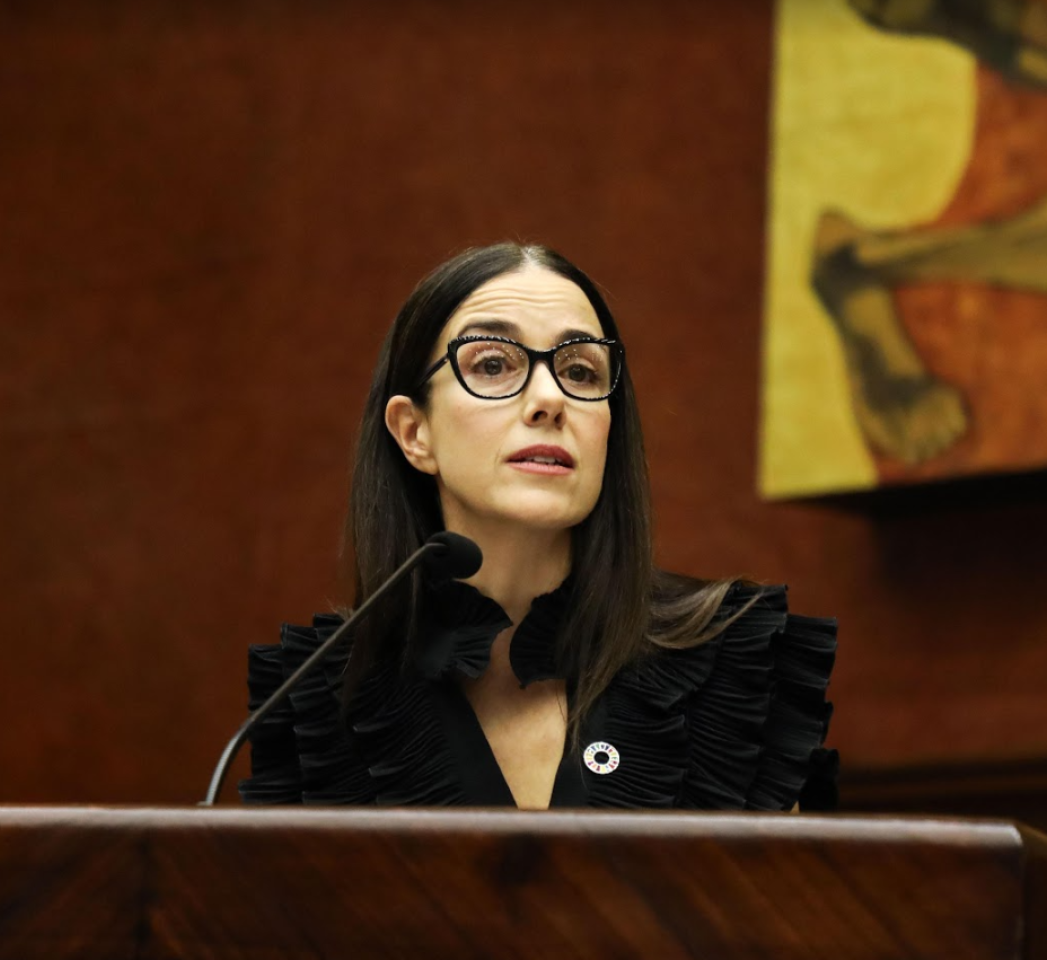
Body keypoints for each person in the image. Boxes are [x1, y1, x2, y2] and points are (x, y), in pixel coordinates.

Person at [241, 243, 838, 810]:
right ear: (414, 433)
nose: (549, 398)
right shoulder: (320, 700)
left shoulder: (732, 668)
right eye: (495, 364)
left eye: (580, 371)